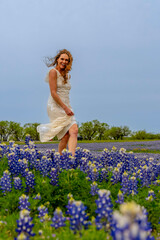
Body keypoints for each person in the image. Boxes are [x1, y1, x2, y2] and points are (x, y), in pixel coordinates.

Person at [37, 49, 78, 156]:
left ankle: (66, 159)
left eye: (66, 60)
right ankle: (68, 159)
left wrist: (67, 107)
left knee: (71, 132)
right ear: (57, 59)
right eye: (62, 59)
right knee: (69, 132)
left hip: (67, 104)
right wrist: (65, 108)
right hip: (55, 105)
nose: (64, 61)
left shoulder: (67, 75)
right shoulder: (53, 72)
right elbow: (53, 93)